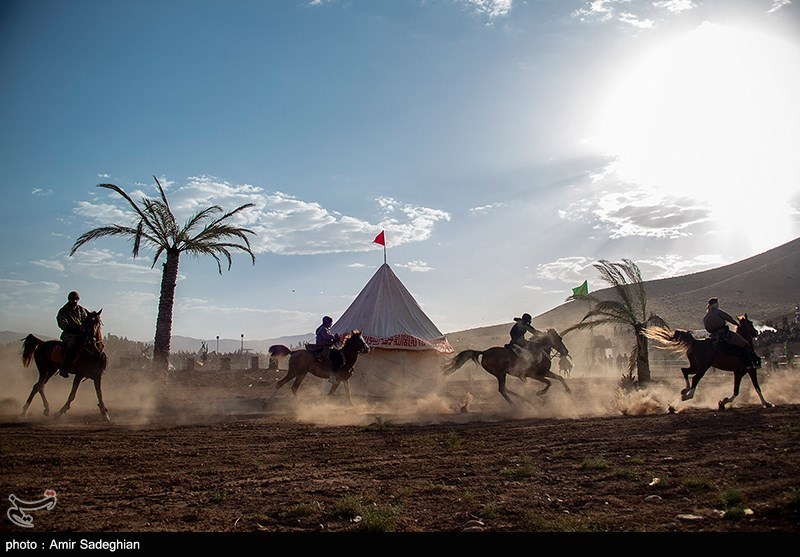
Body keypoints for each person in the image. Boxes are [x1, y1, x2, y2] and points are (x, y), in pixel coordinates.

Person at [703, 297, 760, 368]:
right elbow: (729, 319)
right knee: (744, 343)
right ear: (716, 304)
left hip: (713, 336)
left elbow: (708, 329)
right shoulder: (718, 312)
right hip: (724, 334)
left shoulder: (705, 317)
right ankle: (749, 363)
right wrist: (737, 325)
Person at [56, 291, 88, 378]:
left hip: (81, 334)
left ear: (78, 299)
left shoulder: (82, 310)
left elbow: (86, 321)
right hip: (68, 334)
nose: (74, 301)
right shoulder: (63, 311)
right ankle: (64, 368)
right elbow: (63, 324)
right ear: (69, 299)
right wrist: (77, 328)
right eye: (72, 299)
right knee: (73, 343)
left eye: (76, 299)